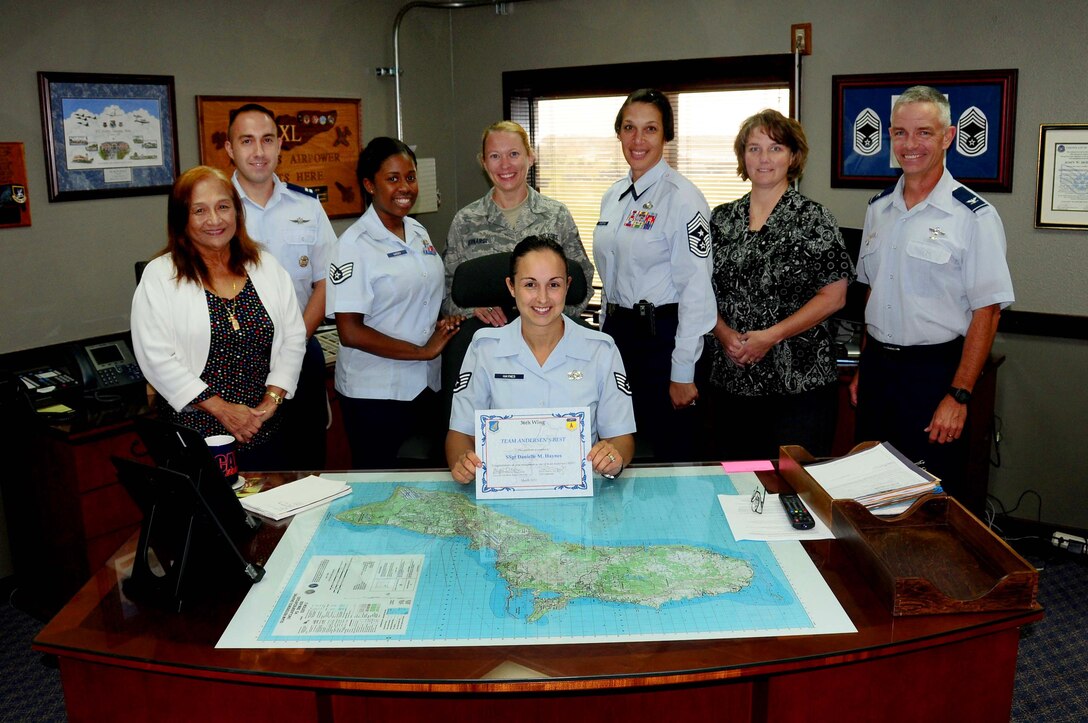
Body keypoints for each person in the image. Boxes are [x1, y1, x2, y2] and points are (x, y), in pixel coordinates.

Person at [851, 85, 1014, 494]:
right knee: (868, 489)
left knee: (927, 495)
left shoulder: (973, 216)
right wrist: (862, 370)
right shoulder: (878, 209)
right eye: (900, 133)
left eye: (924, 132)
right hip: (877, 373)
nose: (910, 144)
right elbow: (874, 296)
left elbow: (988, 311)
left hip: (933, 374)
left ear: (948, 137)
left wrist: (958, 396)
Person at [131, 166, 306, 470]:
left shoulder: (266, 266)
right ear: (181, 219)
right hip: (196, 436)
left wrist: (272, 401)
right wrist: (223, 410)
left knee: (274, 514)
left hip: (263, 427)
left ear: (237, 212)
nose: (215, 220)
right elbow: (156, 357)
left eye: (223, 207)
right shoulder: (160, 276)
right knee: (213, 517)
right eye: (200, 210)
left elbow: (293, 337)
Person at [707, 110, 854, 459]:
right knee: (735, 489)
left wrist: (770, 336)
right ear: (742, 156)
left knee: (791, 493)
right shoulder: (721, 219)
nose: (763, 158)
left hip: (798, 389)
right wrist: (724, 333)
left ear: (793, 156)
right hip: (730, 383)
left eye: (775, 148)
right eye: (754, 148)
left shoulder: (814, 219)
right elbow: (696, 290)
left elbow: (834, 296)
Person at [447, 236, 634, 483]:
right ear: (511, 287)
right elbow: (460, 434)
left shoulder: (601, 350)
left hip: (579, 495)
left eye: (554, 285)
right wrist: (462, 462)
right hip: (506, 492)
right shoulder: (485, 349)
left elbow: (622, 438)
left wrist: (613, 457)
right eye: (530, 285)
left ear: (567, 286)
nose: (543, 298)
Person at [326, 137, 463, 469]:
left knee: (423, 486)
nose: (405, 187)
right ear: (370, 185)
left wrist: (442, 323)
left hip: (424, 386)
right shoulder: (354, 245)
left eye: (411, 177)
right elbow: (350, 332)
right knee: (380, 489)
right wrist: (422, 351)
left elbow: (422, 296)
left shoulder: (417, 231)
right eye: (393, 178)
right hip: (375, 395)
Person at [594, 88, 715, 462]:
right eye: (629, 128)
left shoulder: (682, 198)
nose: (638, 139)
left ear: (666, 136)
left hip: (662, 342)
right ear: (618, 133)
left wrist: (682, 372)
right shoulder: (614, 195)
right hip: (619, 338)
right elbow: (613, 278)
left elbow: (696, 290)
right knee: (618, 449)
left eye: (650, 129)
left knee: (667, 457)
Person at [225, 103, 336, 469]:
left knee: (308, 463)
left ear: (279, 146)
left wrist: (293, 344)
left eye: (268, 140)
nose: (259, 152)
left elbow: (327, 281)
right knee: (253, 471)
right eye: (247, 141)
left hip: (302, 353)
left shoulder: (306, 205)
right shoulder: (215, 209)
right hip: (238, 364)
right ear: (229, 149)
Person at [444, 120, 594, 326]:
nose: (505, 165)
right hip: (489, 338)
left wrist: (550, 314)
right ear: (484, 163)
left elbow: (582, 279)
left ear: (530, 157)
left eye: (513, 154)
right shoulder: (466, 221)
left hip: (549, 338)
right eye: (495, 156)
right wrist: (472, 310)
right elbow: (447, 289)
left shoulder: (556, 215)